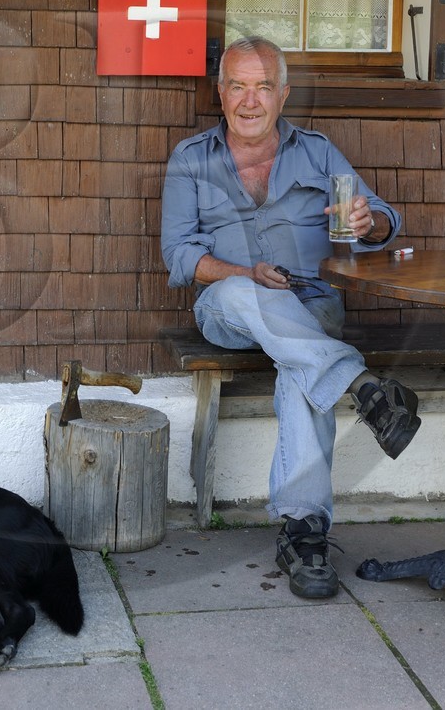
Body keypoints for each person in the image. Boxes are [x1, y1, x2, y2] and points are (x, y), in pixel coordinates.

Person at [160, 36, 421, 599]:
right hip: (230, 307)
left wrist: (366, 223)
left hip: (311, 305)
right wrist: (242, 272)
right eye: (237, 86)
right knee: (236, 293)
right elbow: (179, 255)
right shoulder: (190, 158)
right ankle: (363, 386)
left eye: (262, 87)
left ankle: (304, 533)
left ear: (283, 95)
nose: (249, 101)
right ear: (220, 93)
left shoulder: (318, 153)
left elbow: (384, 220)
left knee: (304, 371)